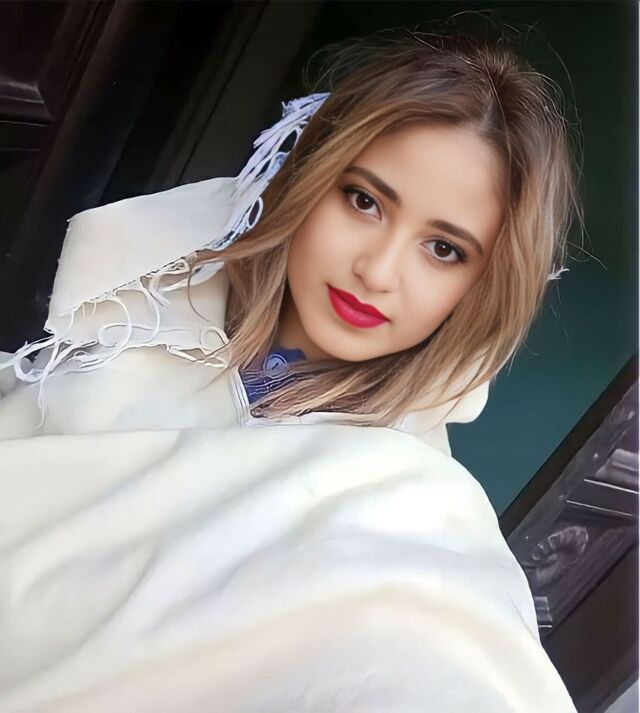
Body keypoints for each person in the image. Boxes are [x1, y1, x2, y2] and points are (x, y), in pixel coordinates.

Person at [0, 29, 579, 712]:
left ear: (484, 287)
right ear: (309, 175)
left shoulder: (412, 506)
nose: (377, 270)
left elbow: (440, 661)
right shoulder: (133, 321)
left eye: (444, 249)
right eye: (364, 201)